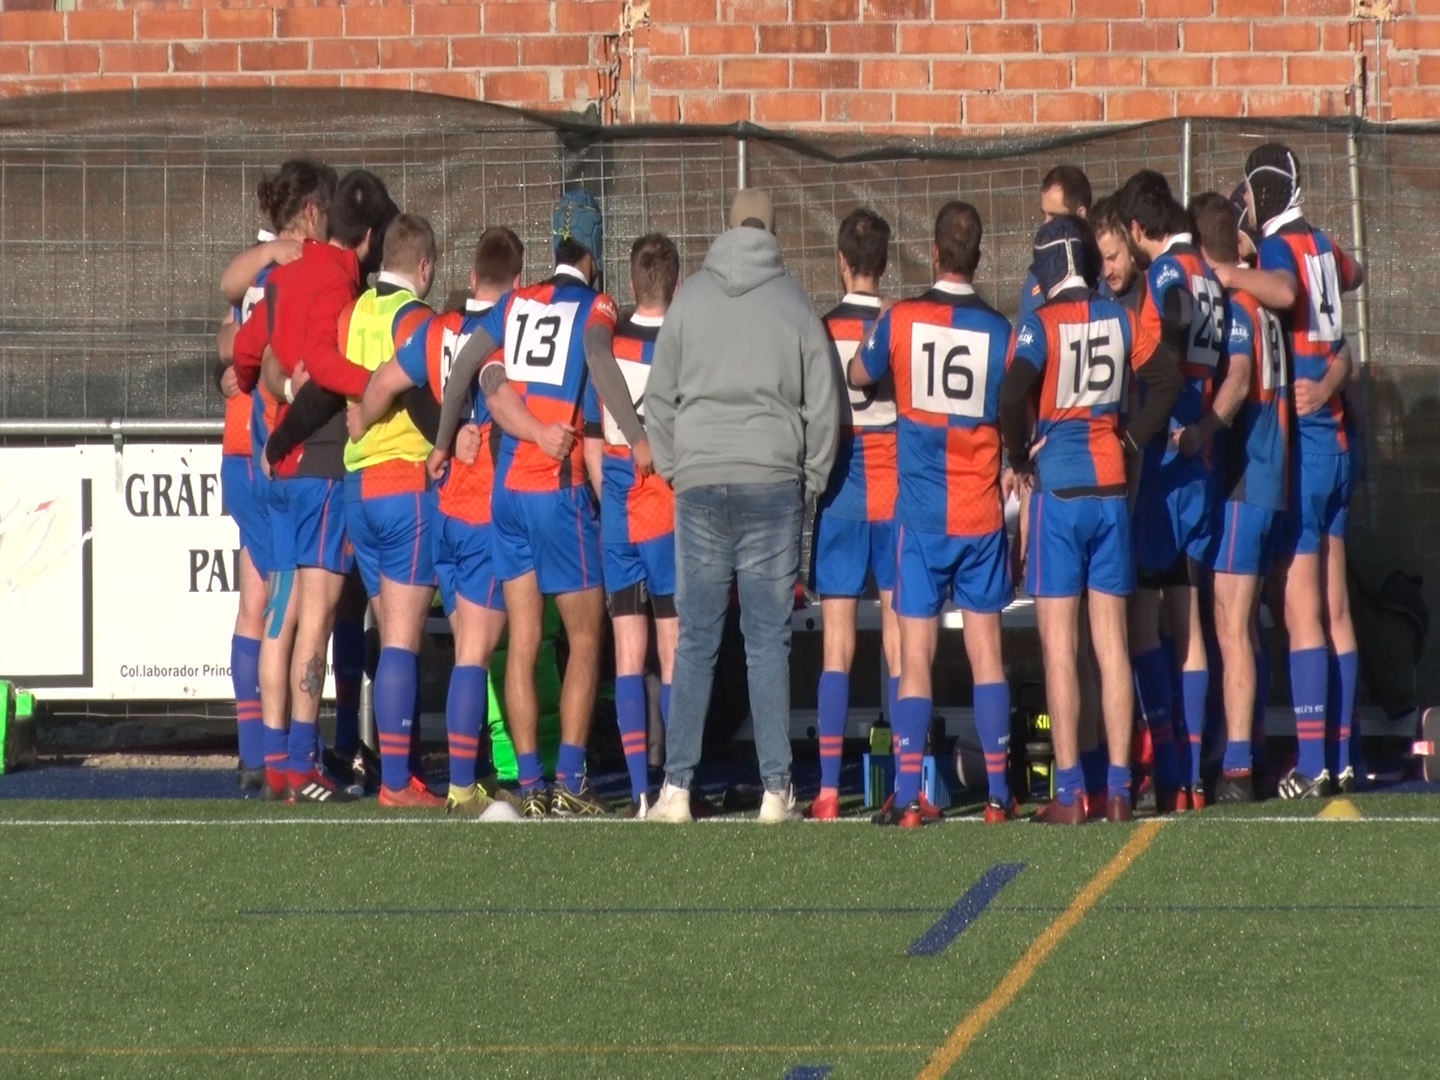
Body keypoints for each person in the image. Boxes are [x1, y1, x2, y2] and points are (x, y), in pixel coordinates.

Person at [431, 190, 648, 819]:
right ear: (595, 254)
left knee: (523, 641)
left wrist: (443, 442)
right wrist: (638, 436)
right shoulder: (597, 305)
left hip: (506, 494)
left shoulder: (515, 302)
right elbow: (600, 357)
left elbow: (467, 370)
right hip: (557, 489)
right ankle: (571, 780)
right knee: (585, 637)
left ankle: (529, 787)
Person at [643, 188, 839, 824]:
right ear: (773, 233)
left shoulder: (689, 298)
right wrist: (811, 476)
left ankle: (676, 788)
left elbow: (659, 397)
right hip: (773, 479)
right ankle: (776, 790)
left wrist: (675, 464)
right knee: (767, 641)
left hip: (699, 479)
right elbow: (824, 402)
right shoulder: (794, 302)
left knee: (696, 638)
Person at [1000, 215, 1183, 823]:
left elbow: (1010, 394)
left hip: (1060, 492)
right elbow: (1166, 379)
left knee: (1060, 649)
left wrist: (1015, 457)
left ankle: (1071, 793)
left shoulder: (1041, 323)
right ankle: (1122, 789)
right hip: (1110, 490)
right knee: (1112, 647)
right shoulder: (1120, 317)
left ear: (1050, 267)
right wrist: (1129, 439)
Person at [233, 168, 397, 803]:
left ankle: (277, 763)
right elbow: (326, 366)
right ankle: (302, 762)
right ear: (370, 237)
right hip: (318, 464)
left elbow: (248, 349)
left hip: (276, 465)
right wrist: (376, 385)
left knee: (282, 612)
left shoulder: (287, 273)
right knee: (317, 617)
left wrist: (265, 389)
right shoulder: (336, 279)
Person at [851, 201, 1013, 827]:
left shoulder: (902, 319)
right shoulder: (1000, 332)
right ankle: (998, 795)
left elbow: (861, 374)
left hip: (919, 515)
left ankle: (910, 794)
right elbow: (1013, 407)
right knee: (987, 653)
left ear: (936, 252)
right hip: (980, 513)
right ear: (979, 256)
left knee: (914, 653)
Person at [1213, 143, 1367, 798]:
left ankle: (1312, 763)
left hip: (1306, 446)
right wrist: (1334, 371)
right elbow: (1354, 274)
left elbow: (1283, 289)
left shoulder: (1279, 250)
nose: (1246, 203)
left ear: (1266, 190)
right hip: (1341, 443)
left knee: (1302, 610)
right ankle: (1345, 755)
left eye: (1250, 191)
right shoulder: (1324, 243)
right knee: (1336, 608)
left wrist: (1228, 271)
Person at [361, 227, 529, 815]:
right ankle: (462, 785)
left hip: (442, 510)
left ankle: (464, 773)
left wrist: (360, 421)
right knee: (476, 652)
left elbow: (383, 382)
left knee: (465, 649)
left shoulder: (438, 329)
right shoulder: (510, 333)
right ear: (517, 282)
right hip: (484, 508)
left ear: (472, 277)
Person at [213, 161, 328, 793]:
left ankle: (256, 754)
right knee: (285, 606)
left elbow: (227, 337)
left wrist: (235, 360)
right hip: (267, 450)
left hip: (244, 450)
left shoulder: (260, 267)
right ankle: (278, 755)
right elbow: (237, 342)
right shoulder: (289, 265)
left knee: (256, 605)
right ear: (311, 212)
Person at [1119, 169, 1229, 811]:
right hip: (1201, 462)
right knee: (1187, 621)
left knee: (1145, 615)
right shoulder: (1209, 270)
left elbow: (1177, 314)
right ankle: (1190, 778)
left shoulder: (1168, 271)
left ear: (1138, 228)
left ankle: (1169, 770)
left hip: (1166, 458)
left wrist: (1163, 375)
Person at [332, 213, 445, 808]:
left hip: (359, 486)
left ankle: (403, 769)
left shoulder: (352, 314)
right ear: (423, 266)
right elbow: (423, 396)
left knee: (391, 631)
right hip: (404, 481)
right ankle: (397, 784)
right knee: (403, 639)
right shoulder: (417, 318)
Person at [1191, 191, 1291, 804]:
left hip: (1245, 480)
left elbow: (1237, 379)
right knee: (1245, 625)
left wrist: (1200, 431)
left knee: (1230, 626)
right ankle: (1246, 743)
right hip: (1270, 476)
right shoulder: (1265, 306)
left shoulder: (1236, 307)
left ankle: (1235, 767)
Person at [580, 233, 682, 819]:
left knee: (627, 650)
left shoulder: (609, 346)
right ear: (676, 283)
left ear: (631, 284)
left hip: (619, 506)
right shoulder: (684, 345)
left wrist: (611, 500)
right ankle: (675, 784)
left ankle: (639, 790)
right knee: (672, 647)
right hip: (668, 510)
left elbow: (593, 444)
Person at [807, 209, 898, 822]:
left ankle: (827, 790)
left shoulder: (821, 329)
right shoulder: (900, 323)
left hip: (840, 484)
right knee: (900, 637)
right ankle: (905, 777)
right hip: (893, 484)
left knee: (836, 644)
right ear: (884, 264)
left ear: (841, 261)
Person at [1018, 165, 1093, 323]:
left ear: (1081, 215)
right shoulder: (1035, 279)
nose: (1046, 224)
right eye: (1044, 215)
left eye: (1054, 217)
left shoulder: (1107, 271)